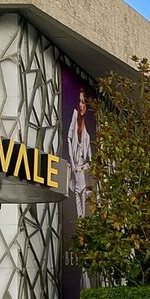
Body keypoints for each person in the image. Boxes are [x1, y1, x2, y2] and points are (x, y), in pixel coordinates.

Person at [67, 89, 91, 219]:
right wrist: (72, 162)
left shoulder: (85, 129)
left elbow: (89, 155)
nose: (81, 105)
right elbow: (69, 137)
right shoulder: (75, 116)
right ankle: (80, 219)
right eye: (80, 102)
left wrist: (85, 166)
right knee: (78, 191)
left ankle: (82, 219)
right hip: (75, 166)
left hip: (82, 167)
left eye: (83, 102)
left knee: (81, 191)